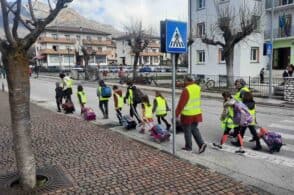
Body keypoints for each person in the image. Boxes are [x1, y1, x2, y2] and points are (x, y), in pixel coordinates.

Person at [176, 76, 207, 153]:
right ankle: (201, 144)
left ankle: (188, 147)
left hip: (188, 114)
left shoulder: (186, 90)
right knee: (194, 129)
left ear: (186, 81)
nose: (183, 82)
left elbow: (181, 104)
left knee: (187, 131)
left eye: (184, 81)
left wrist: (176, 114)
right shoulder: (197, 87)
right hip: (196, 113)